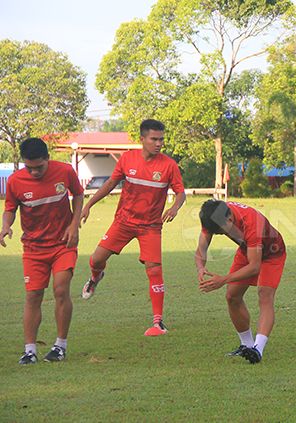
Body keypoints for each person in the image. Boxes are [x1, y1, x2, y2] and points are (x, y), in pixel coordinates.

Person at [79, 119, 186, 336]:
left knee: (154, 269)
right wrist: (89, 204)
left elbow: (181, 192)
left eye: (161, 139)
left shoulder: (169, 165)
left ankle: (158, 322)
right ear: (142, 139)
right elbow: (109, 184)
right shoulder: (128, 158)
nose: (158, 143)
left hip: (151, 227)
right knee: (97, 259)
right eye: (154, 139)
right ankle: (95, 277)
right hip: (124, 222)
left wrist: (175, 207)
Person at [1, 138, 84, 364]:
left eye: (39, 166)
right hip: (34, 248)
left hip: (62, 244)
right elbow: (10, 209)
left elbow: (78, 195)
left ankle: (60, 346)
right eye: (30, 167)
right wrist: (5, 225)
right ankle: (30, 350)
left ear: (48, 158)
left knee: (60, 289)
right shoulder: (15, 181)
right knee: (33, 295)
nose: (35, 172)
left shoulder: (65, 171)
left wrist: (74, 224)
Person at [195, 199, 286, 364]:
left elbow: (254, 267)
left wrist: (223, 280)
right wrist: (200, 266)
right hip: (248, 250)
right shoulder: (214, 216)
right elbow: (201, 248)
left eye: (221, 231)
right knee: (232, 296)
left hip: (272, 253)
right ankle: (247, 345)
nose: (220, 234)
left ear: (229, 220)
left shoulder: (252, 223)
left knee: (264, 295)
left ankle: (258, 349)